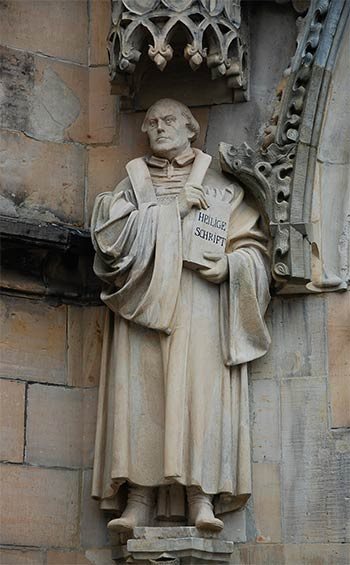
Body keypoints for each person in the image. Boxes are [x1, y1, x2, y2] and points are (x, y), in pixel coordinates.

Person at [91, 98, 271, 533]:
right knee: (140, 395)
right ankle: (137, 500)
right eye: (151, 122)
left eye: (169, 120)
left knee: (200, 397)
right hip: (143, 304)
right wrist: (172, 212)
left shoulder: (221, 187)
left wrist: (231, 266)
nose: (158, 128)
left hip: (201, 305)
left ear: (191, 128)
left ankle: (201, 497)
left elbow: (255, 250)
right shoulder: (133, 183)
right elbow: (109, 239)